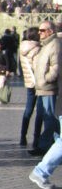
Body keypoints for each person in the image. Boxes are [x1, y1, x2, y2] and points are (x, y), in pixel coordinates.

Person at [31, 20, 59, 153]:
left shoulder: (54, 45)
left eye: (42, 30)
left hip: (49, 88)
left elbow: (56, 67)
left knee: (50, 118)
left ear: (50, 31)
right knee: (47, 117)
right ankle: (53, 146)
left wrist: (46, 79)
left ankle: (45, 146)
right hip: (42, 88)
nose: (39, 32)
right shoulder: (46, 44)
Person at [18, 27, 43, 152]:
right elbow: (39, 67)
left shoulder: (22, 47)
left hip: (29, 83)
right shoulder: (37, 49)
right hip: (38, 83)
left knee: (28, 110)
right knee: (40, 112)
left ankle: (23, 136)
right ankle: (36, 139)